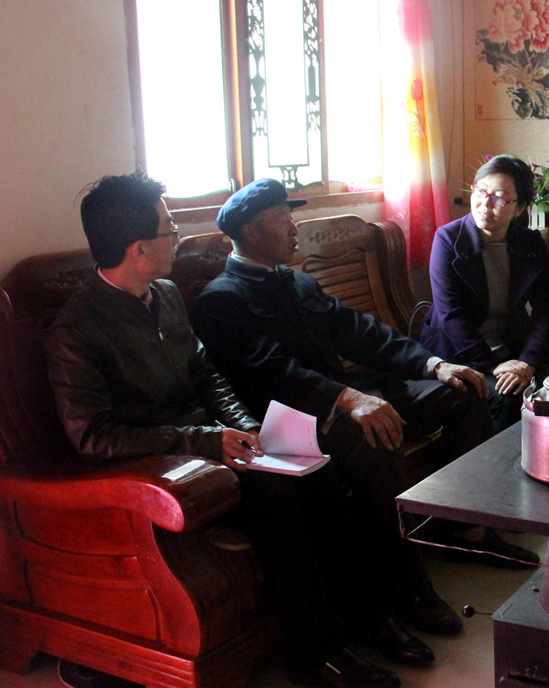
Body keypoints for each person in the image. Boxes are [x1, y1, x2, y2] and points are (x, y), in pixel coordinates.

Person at [46, 173, 405, 688]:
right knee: (278, 494)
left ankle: (366, 617)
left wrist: (249, 428)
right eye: (170, 229)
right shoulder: (77, 330)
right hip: (162, 464)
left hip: (209, 442)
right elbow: (95, 438)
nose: (177, 238)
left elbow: (207, 376)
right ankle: (316, 654)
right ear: (139, 249)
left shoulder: (165, 294)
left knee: (317, 469)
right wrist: (207, 441)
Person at [191, 178, 539, 570]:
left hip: (348, 395)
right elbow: (273, 373)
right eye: (282, 218)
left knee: (464, 390)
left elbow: (360, 332)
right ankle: (402, 579)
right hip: (297, 419)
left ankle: (466, 529)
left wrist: (434, 365)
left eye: (291, 216)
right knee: (375, 435)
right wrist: (348, 399)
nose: (294, 227)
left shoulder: (298, 282)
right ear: (251, 232)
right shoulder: (221, 300)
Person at [419, 154, 549, 432]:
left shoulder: (531, 244)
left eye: (499, 198)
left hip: (511, 350)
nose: (485, 203)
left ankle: (537, 456)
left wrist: (527, 363)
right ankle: (492, 460)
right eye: (480, 191)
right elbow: (451, 317)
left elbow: (547, 312)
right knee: (507, 399)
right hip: (458, 354)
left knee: (548, 391)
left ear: (519, 208)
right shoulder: (448, 240)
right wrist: (494, 367)